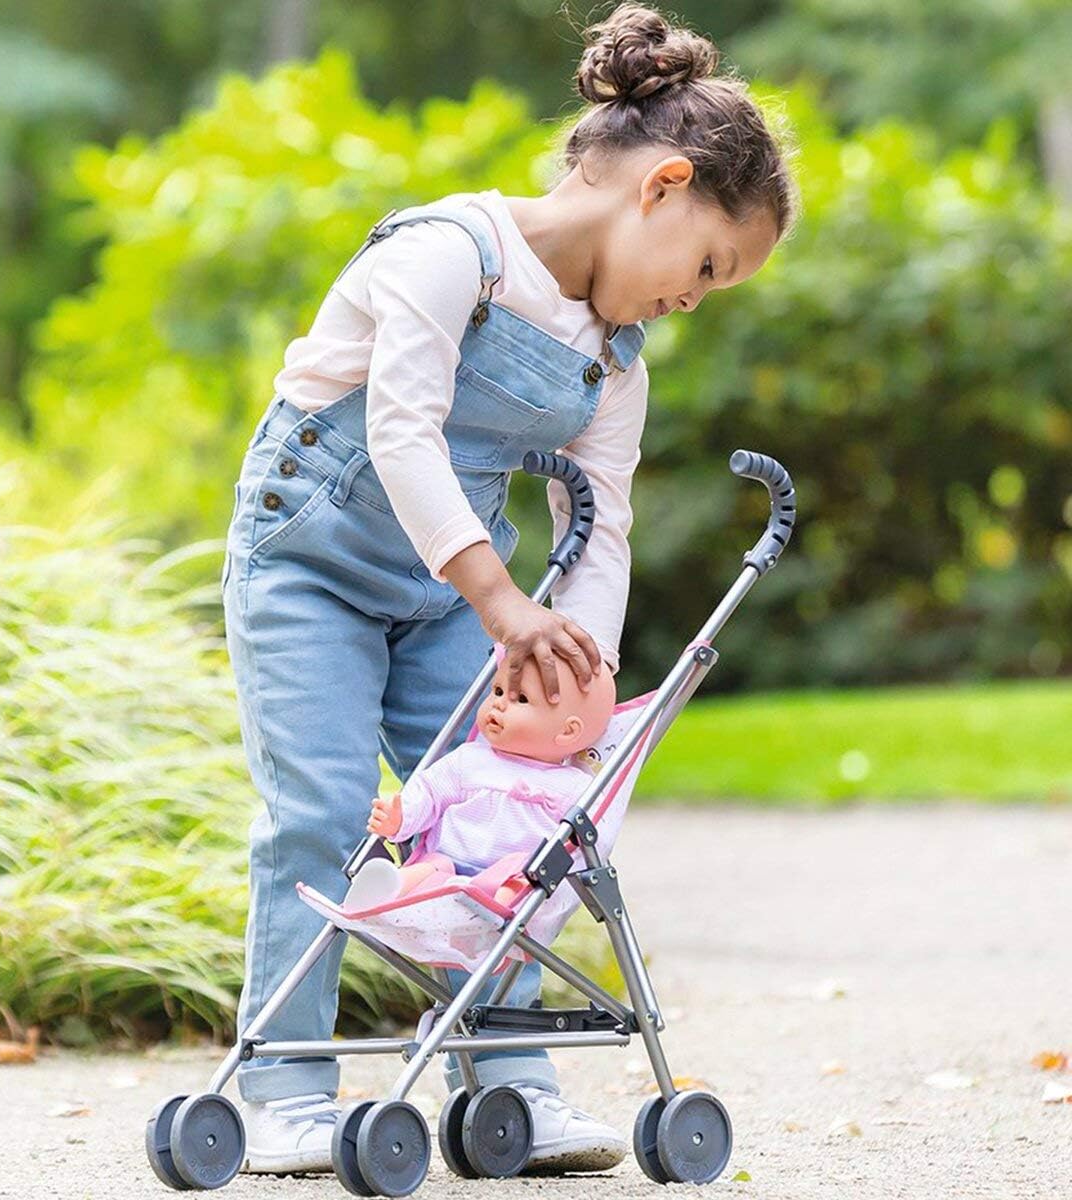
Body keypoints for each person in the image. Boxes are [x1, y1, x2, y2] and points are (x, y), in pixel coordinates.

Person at [221, 0, 797, 1177]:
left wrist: (573, 664)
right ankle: (284, 1085)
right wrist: (501, 605)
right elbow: (402, 434)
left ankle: (513, 1080)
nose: (695, 298)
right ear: (663, 186)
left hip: (448, 596)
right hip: (309, 572)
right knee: (321, 817)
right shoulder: (448, 255)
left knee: (504, 824)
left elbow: (601, 524)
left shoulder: (613, 361)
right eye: (705, 265)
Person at [344, 652, 617, 910]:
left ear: (568, 731)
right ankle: (387, 889)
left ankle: (499, 911)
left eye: (520, 698)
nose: (498, 703)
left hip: (508, 879)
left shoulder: (572, 786)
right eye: (497, 691)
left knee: (519, 872)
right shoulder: (469, 760)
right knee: (429, 868)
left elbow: (594, 839)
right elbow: (429, 791)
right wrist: (401, 818)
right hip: (447, 869)